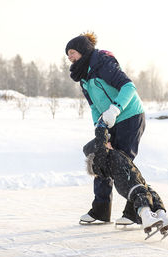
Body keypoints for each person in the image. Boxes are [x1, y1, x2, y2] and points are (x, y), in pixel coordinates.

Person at [65, 32, 145, 225]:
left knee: (123, 163)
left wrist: (115, 109)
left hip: (130, 116)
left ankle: (134, 212)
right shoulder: (84, 76)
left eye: (72, 53)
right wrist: (98, 128)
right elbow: (93, 106)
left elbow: (128, 87)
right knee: (100, 159)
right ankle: (101, 210)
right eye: (68, 55)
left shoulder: (103, 63)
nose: (70, 58)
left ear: (83, 51)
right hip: (109, 122)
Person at [85, 118, 168, 236]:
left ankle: (163, 217)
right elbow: (101, 141)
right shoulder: (101, 158)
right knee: (140, 195)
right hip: (125, 182)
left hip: (134, 179)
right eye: (107, 143)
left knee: (152, 194)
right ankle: (147, 219)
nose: (109, 143)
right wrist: (101, 127)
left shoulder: (115, 153)